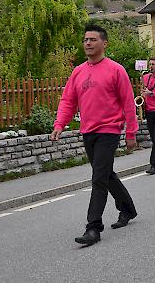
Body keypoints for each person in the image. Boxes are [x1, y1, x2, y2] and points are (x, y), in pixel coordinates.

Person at [51, 23, 138, 246]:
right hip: (87, 131)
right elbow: (68, 101)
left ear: (104, 43)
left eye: (92, 39)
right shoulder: (78, 71)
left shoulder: (116, 70)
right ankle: (127, 208)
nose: (87, 43)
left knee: (98, 178)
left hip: (109, 130)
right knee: (106, 174)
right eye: (85, 40)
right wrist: (60, 124)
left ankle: (93, 227)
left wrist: (131, 132)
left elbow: (128, 103)